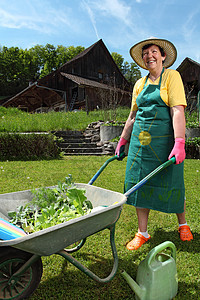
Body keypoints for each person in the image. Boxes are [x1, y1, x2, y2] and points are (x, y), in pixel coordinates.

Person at [115, 37, 193, 250]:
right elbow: (132, 116)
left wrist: (179, 142)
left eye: (153, 51)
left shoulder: (172, 76)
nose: (149, 55)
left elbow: (177, 110)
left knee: (174, 181)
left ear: (163, 56)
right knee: (140, 183)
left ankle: (183, 224)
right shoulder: (139, 84)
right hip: (141, 145)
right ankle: (142, 232)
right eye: (145, 53)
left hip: (165, 143)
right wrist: (123, 140)